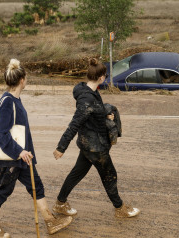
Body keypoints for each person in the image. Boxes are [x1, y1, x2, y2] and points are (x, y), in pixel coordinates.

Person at [0, 59, 72, 238]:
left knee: (36, 187)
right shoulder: (8, 101)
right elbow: (0, 132)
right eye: (26, 77)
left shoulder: (15, 99)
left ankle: (50, 221)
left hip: (23, 158)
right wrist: (19, 151)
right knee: (1, 191)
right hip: (12, 159)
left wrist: (25, 153)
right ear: (22, 80)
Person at [52, 58, 140, 218]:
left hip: (89, 144)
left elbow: (93, 112)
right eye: (105, 76)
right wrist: (61, 147)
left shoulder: (89, 92)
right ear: (101, 78)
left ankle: (60, 203)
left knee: (77, 173)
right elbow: (75, 124)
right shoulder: (86, 100)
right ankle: (120, 208)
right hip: (95, 147)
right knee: (109, 175)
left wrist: (105, 115)